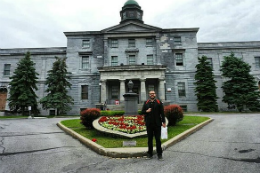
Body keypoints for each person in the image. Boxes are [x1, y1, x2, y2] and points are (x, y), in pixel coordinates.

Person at [142, 90, 166, 160]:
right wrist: (147, 111)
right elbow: (142, 112)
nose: (152, 95)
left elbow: (162, 113)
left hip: (157, 124)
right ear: (149, 95)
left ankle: (159, 154)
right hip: (149, 124)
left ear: (155, 94)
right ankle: (150, 154)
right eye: (150, 94)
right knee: (150, 140)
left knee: (158, 140)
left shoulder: (159, 103)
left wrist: (163, 122)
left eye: (153, 93)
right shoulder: (146, 103)